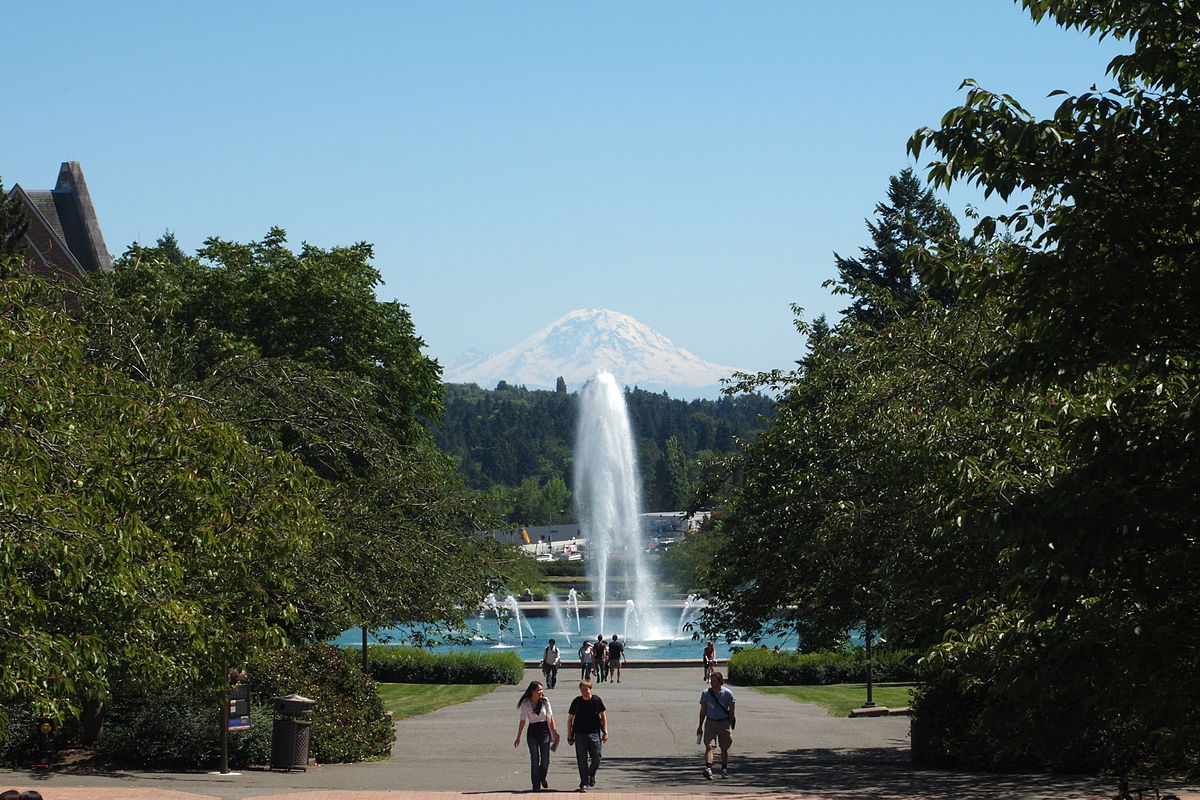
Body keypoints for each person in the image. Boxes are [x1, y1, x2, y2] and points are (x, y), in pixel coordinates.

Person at [514, 680, 560, 792]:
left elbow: (550, 717)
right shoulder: (526, 703)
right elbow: (522, 720)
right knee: (534, 759)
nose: (541, 692)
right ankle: (536, 786)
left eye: (542, 689)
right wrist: (518, 736)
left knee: (545, 760)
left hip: (545, 732)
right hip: (532, 733)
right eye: (539, 690)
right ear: (532, 691)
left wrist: (554, 732)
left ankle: (542, 777)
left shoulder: (545, 701)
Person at [566, 679, 607, 792]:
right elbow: (570, 719)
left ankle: (591, 773)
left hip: (594, 733)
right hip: (579, 734)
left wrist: (605, 732)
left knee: (596, 758)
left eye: (587, 689)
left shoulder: (596, 700)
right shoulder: (577, 701)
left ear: (591, 689)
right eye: (582, 690)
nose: (585, 692)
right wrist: (569, 736)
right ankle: (584, 783)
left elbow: (603, 716)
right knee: (581, 760)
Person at [697, 671, 736, 780]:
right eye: (711, 681)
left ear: (720, 681)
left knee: (725, 747)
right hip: (710, 723)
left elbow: (732, 710)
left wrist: (731, 723)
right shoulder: (705, 693)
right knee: (710, 746)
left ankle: (724, 769)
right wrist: (700, 725)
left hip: (724, 723)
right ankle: (708, 768)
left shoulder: (728, 693)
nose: (712, 683)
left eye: (714, 681)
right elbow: (703, 711)